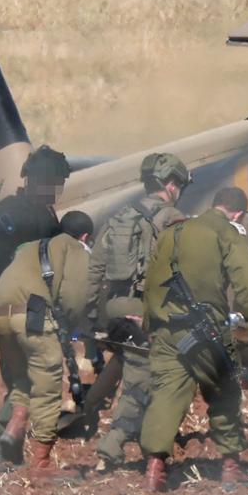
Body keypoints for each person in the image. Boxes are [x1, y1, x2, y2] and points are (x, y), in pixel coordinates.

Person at [138, 187, 248, 493]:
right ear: (238, 213)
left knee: (166, 396)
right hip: (206, 329)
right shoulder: (227, 233)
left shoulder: (174, 232)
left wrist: (150, 321)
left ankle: (155, 469)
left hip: (168, 329)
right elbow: (247, 283)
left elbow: (152, 279)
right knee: (225, 392)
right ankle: (231, 467)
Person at [0, 144, 71, 466]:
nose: (55, 190)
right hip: (11, 310)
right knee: (26, 378)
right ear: (34, 180)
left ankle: (4, 450)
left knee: (23, 379)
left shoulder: (46, 216)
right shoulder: (12, 213)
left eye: (58, 184)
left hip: (35, 309)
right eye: (50, 182)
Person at [88, 152, 189, 472]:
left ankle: (151, 437)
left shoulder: (118, 218)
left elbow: (95, 272)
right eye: (180, 185)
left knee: (138, 372)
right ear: (171, 184)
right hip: (147, 311)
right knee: (140, 379)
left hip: (115, 307)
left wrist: (92, 318)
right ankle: (113, 444)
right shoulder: (173, 219)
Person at [0, 211, 94, 480]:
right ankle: (41, 462)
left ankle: (15, 424)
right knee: (48, 384)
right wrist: (72, 327)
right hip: (33, 318)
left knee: (23, 379)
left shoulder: (32, 247)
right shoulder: (77, 249)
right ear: (85, 236)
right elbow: (75, 296)